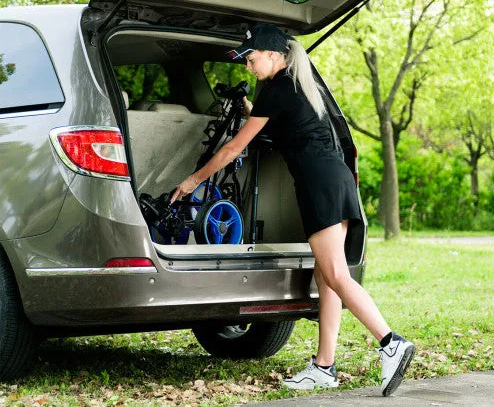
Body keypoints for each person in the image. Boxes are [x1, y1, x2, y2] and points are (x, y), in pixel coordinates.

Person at [170, 24, 415, 396]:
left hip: (319, 185)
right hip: (338, 179)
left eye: (251, 60)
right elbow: (278, 127)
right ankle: (324, 366)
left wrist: (192, 181)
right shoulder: (301, 86)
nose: (249, 68)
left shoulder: (277, 88)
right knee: (325, 276)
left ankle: (390, 342)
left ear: (274, 55)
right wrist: (252, 110)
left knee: (334, 273)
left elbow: (233, 149)